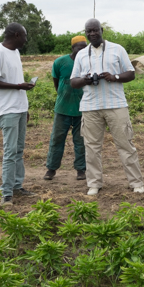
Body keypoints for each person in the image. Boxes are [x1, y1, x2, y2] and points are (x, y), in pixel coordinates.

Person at [70, 19, 144, 196]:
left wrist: (114, 77)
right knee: (91, 147)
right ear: (86, 33)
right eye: (88, 31)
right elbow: (73, 82)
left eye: (95, 30)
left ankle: (136, 182)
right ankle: (94, 183)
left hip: (116, 104)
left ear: (101, 30)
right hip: (90, 106)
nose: (92, 34)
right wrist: (85, 80)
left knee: (125, 144)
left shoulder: (117, 49)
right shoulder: (81, 54)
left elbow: (131, 73)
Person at [0, 23, 36, 206]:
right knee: (10, 152)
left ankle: (16, 186)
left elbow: (14, 80)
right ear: (16, 35)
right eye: (24, 36)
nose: (26, 39)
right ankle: (6, 193)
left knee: (19, 150)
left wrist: (24, 104)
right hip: (7, 110)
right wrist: (18, 87)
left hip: (19, 108)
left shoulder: (15, 52)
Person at [43, 36, 88, 182]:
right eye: (79, 47)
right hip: (62, 108)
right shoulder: (60, 62)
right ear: (73, 48)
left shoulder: (88, 62)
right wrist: (63, 95)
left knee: (81, 141)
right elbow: (56, 83)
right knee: (57, 139)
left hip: (82, 109)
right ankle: (51, 169)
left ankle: (81, 170)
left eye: (85, 47)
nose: (83, 50)